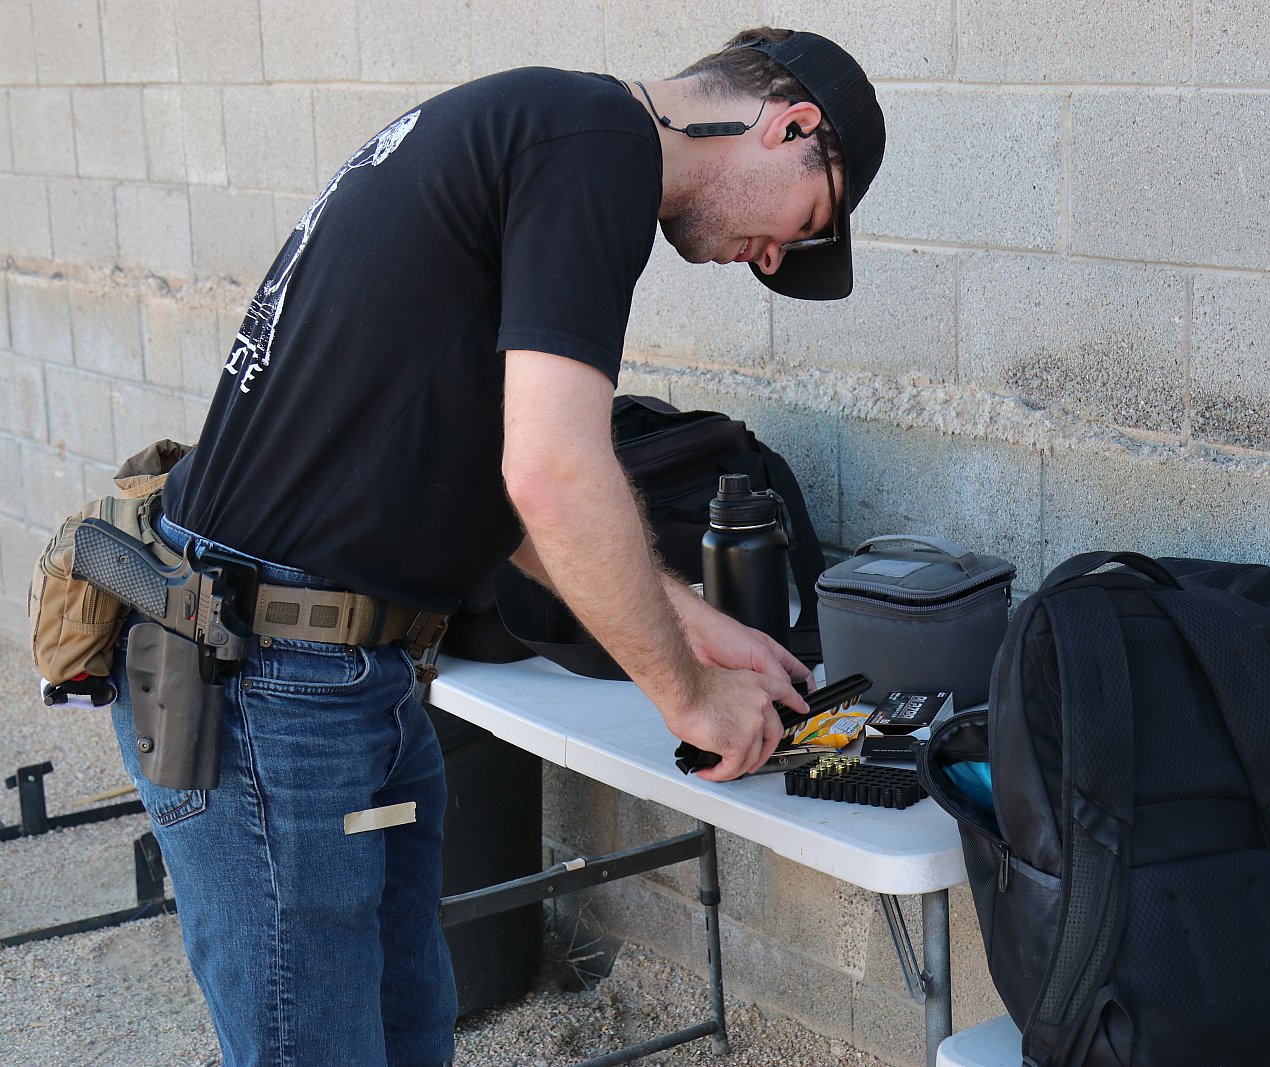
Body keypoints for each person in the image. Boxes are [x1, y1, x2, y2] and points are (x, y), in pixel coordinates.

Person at [107, 27, 885, 1067]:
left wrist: (694, 624)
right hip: (269, 677)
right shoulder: (597, 147)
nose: (777, 256)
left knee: (405, 1035)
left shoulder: (548, 129)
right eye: (810, 220)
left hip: (342, 668)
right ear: (793, 127)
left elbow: (498, 483)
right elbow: (555, 473)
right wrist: (691, 697)